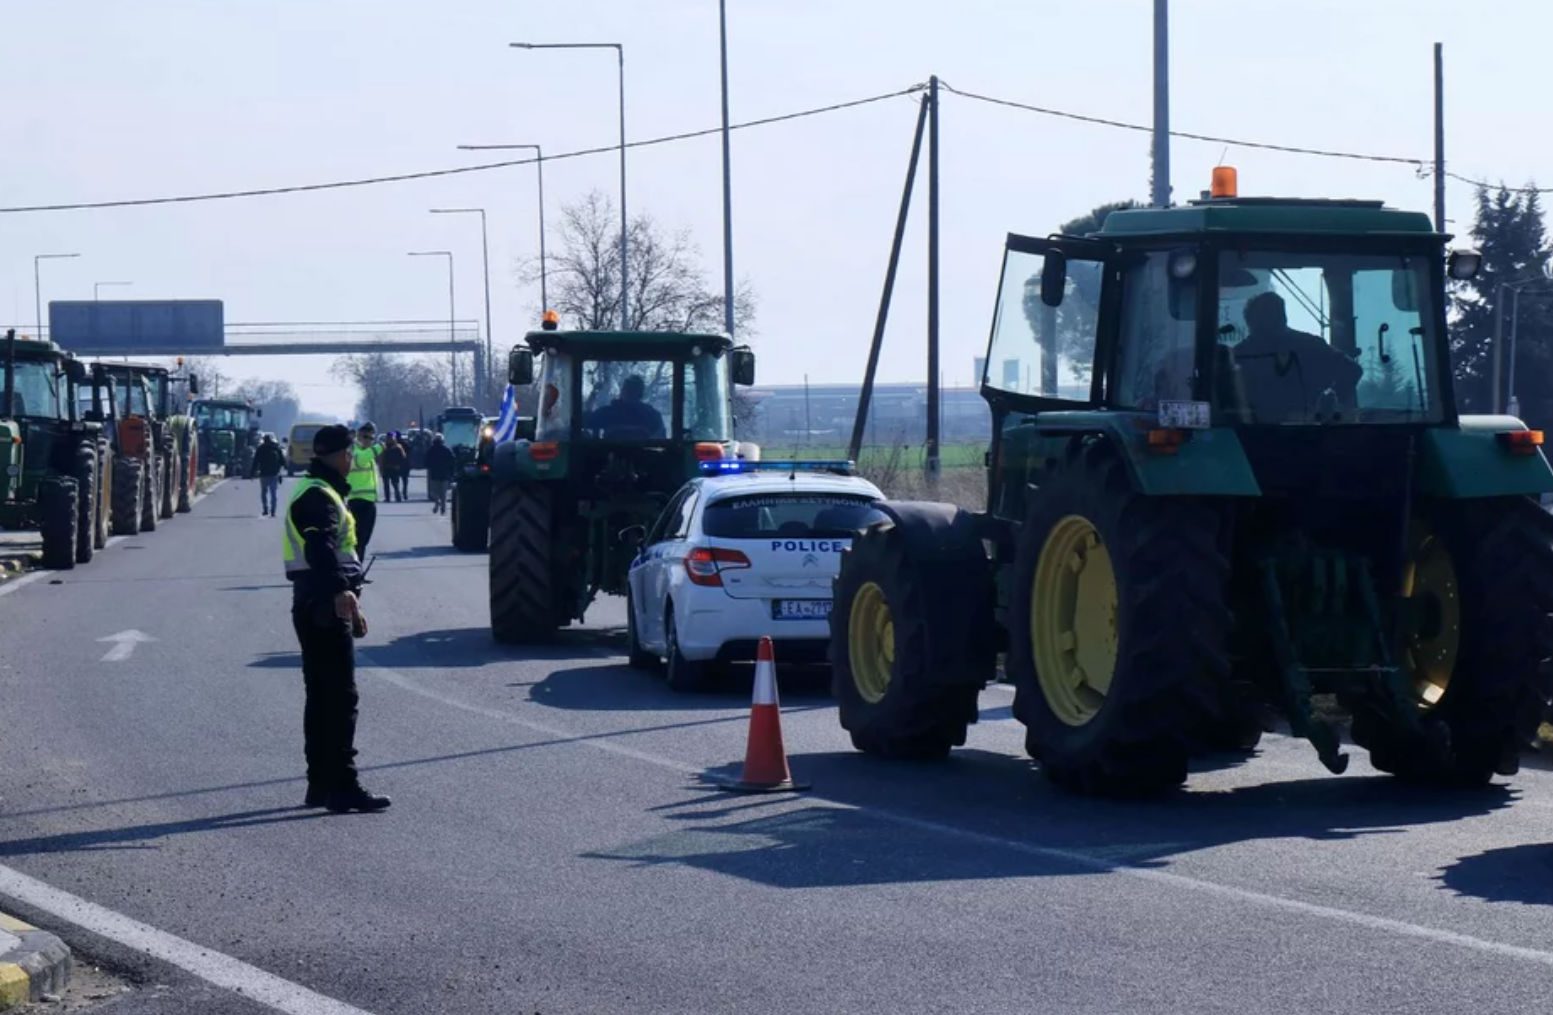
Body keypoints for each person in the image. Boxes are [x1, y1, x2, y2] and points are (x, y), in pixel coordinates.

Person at [283, 424, 390, 813]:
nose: (351, 461)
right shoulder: (318, 495)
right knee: (340, 698)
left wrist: (348, 596)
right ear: (341, 455)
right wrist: (341, 592)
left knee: (321, 695)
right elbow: (321, 546)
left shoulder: (316, 489)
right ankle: (342, 785)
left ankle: (320, 784)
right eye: (348, 455)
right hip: (323, 602)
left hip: (315, 599)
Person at [1233, 291, 1362, 422]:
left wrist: (1328, 402)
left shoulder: (1239, 355)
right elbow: (1352, 370)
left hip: (1250, 435)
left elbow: (1352, 371)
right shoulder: (1310, 345)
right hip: (1303, 432)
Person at [584, 374, 666, 439]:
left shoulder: (608, 412)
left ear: (622, 391)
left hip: (610, 458)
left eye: (631, 390)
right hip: (642, 458)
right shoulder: (652, 415)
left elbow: (586, 420)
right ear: (641, 394)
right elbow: (662, 439)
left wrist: (594, 393)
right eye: (628, 389)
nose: (629, 392)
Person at [347, 422, 384, 557]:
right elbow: (361, 460)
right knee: (358, 539)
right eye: (366, 437)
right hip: (358, 501)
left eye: (371, 438)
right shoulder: (355, 451)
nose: (369, 441)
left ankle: (357, 570)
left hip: (368, 501)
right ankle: (354, 570)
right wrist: (380, 446)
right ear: (359, 436)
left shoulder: (365, 452)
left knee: (363, 540)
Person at [250, 432, 286, 517]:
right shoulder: (276, 448)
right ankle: (273, 511)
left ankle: (265, 509)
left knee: (264, 492)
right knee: (273, 493)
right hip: (274, 474)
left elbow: (256, 462)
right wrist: (281, 472)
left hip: (264, 474)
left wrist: (252, 473)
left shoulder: (260, 449)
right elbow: (283, 462)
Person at [424, 432, 456, 514]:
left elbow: (426, 462)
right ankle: (443, 508)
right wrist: (451, 473)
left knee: (434, 492)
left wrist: (430, 467)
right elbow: (452, 461)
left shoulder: (431, 450)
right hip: (445, 475)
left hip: (434, 475)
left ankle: (437, 503)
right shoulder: (447, 450)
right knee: (443, 493)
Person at [381, 435, 409, 503]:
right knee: (393, 483)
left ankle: (390, 497)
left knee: (391, 483)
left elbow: (403, 457)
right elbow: (403, 457)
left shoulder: (386, 447)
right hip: (391, 467)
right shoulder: (397, 447)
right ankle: (395, 497)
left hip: (389, 467)